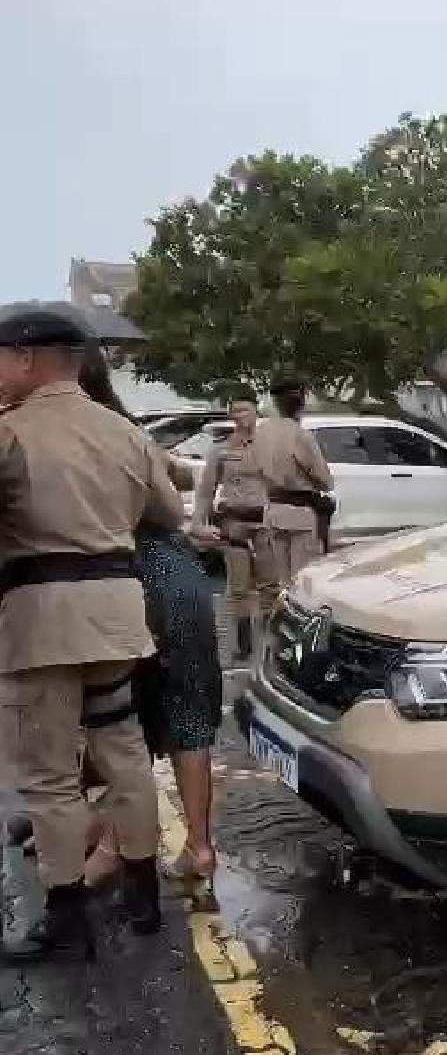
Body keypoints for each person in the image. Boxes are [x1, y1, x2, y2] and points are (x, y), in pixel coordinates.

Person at [0, 303, 184, 964]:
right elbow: (170, 511)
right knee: (123, 752)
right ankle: (142, 898)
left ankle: (66, 919)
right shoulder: (125, 433)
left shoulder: (11, 432)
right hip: (118, 615)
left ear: (24, 358)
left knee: (49, 775)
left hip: (44, 619)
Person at [76, 346, 223, 886]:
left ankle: (111, 842)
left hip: (126, 582)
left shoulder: (65, 433)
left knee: (118, 718)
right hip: (179, 577)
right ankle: (200, 848)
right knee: (188, 714)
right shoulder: (128, 430)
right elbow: (177, 493)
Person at [191, 390, 267, 660]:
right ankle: (242, 644)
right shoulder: (222, 449)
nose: (240, 416)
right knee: (238, 586)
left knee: (271, 586)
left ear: (256, 410)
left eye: (245, 410)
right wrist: (199, 522)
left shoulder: (270, 445)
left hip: (266, 522)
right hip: (235, 522)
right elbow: (206, 490)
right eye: (235, 411)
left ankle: (272, 645)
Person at [253, 377, 333, 600]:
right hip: (300, 512)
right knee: (302, 582)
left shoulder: (261, 432)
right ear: (300, 402)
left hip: (273, 510)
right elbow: (324, 480)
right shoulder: (300, 435)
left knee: (283, 582)